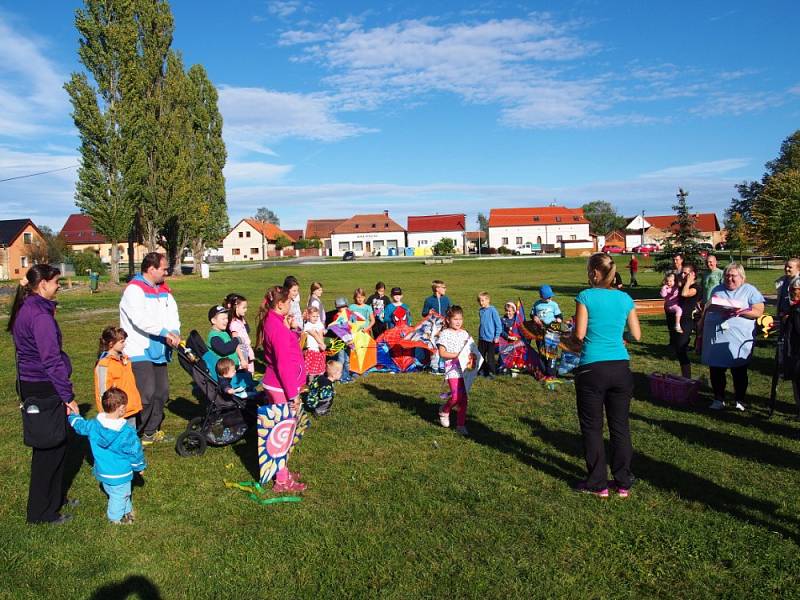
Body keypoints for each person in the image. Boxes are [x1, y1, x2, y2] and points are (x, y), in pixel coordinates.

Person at [9, 264, 79, 524]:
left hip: (37, 385)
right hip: (42, 386)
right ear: (42, 286)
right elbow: (50, 361)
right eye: (56, 282)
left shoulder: (31, 308)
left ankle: (55, 498)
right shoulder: (39, 316)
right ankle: (40, 513)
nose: (59, 285)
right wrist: (67, 396)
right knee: (47, 451)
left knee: (58, 444)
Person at [573, 253, 641, 498]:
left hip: (593, 368)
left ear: (594, 273)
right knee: (620, 426)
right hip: (620, 367)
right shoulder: (625, 298)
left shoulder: (586, 296)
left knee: (592, 427)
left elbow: (579, 335)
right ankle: (622, 482)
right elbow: (637, 334)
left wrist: (565, 339)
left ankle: (598, 483)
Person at [119, 252, 181, 445]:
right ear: (151, 269)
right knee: (145, 394)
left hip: (160, 348)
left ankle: (150, 432)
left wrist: (174, 331)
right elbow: (139, 319)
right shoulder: (134, 290)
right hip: (139, 349)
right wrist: (165, 332)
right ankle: (130, 435)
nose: (167, 272)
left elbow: (172, 313)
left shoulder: (164, 289)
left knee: (161, 393)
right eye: (163, 268)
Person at [68, 388, 146, 524]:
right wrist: (139, 467)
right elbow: (134, 452)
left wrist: (73, 416)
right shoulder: (126, 432)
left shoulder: (94, 425)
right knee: (120, 495)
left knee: (116, 493)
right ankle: (115, 519)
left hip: (103, 470)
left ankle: (126, 512)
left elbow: (80, 426)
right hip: (120, 472)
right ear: (121, 408)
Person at [257, 285, 307, 492]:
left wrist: (292, 329)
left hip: (277, 383)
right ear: (280, 304)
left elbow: (288, 345)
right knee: (283, 432)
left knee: (284, 429)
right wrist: (293, 395)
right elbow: (284, 365)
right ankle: (281, 479)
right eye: (289, 302)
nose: (292, 304)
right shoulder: (277, 329)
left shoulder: (274, 321)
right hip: (281, 386)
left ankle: (282, 471)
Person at [699, 263, 765, 411]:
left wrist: (740, 311)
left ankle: (740, 400)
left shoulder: (750, 290)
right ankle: (718, 399)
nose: (729, 278)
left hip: (738, 338)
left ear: (742, 277)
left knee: (739, 370)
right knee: (716, 370)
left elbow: (758, 311)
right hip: (717, 336)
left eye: (733, 276)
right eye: (727, 275)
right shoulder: (718, 289)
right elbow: (709, 306)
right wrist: (702, 323)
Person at [437, 306, 475, 435]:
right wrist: (457, 355)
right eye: (455, 319)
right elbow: (442, 353)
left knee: (463, 399)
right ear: (448, 320)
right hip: (452, 369)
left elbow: (471, 350)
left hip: (464, 370)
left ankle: (460, 425)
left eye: (460, 319)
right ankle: (445, 410)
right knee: (455, 397)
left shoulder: (465, 334)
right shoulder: (444, 334)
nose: (458, 322)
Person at [95, 326, 143, 428]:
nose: (124, 344)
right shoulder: (104, 364)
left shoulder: (124, 359)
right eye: (121, 342)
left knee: (130, 438)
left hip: (129, 408)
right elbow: (102, 392)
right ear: (111, 344)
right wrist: (106, 414)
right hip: (115, 412)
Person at [666, 264, 701, 379]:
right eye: (682, 273)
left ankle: (687, 378)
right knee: (679, 350)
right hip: (675, 319)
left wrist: (689, 281)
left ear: (693, 274)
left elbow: (685, 294)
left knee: (681, 348)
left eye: (686, 273)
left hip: (686, 322)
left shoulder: (696, 287)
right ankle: (685, 378)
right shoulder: (681, 286)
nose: (682, 275)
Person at [781, 278, 800, 417]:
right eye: (790, 289)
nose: (791, 292)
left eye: (794, 290)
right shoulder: (794, 308)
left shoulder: (797, 310)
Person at [205, 305, 240, 376]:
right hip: (224, 373)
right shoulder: (214, 337)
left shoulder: (223, 332)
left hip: (231, 370)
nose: (226, 321)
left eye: (227, 318)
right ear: (213, 321)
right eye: (223, 319)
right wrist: (236, 340)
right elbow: (224, 350)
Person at [225, 293, 254, 373]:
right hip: (242, 352)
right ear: (236, 307)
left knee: (250, 375)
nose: (246, 310)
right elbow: (236, 342)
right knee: (246, 377)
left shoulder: (239, 320)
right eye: (244, 308)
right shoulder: (234, 324)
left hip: (246, 350)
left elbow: (247, 330)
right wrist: (242, 359)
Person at [477, 291, 502, 379]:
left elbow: (498, 325)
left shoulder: (493, 310)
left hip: (491, 339)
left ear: (488, 300)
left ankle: (492, 372)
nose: (481, 303)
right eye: (480, 301)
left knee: (490, 358)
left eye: (483, 300)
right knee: (480, 356)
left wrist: (497, 336)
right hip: (482, 338)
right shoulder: (480, 311)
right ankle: (482, 370)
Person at [302, 306, 327, 378]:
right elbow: (314, 334)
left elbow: (320, 334)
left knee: (320, 366)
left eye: (317, 316)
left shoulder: (319, 324)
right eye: (313, 316)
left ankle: (320, 381)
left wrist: (322, 346)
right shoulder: (307, 325)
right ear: (309, 316)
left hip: (320, 349)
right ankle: (310, 382)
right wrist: (322, 344)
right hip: (312, 349)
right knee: (311, 368)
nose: (315, 318)